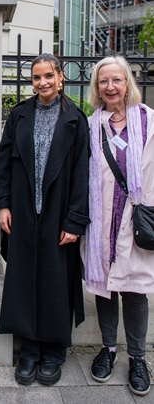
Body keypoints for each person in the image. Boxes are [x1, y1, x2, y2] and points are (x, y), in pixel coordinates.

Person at [0, 53, 90, 386]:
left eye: (49, 76)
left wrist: (74, 220)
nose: (43, 83)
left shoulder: (76, 119)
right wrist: (2, 204)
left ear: (60, 77)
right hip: (22, 210)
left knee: (56, 280)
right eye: (36, 77)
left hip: (58, 213)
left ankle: (54, 350)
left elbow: (81, 174)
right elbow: (3, 161)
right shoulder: (19, 115)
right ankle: (30, 349)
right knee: (23, 279)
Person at [83, 56, 154, 397]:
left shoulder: (149, 121)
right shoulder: (91, 125)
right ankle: (108, 348)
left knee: (135, 287)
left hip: (134, 217)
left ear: (127, 82)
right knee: (104, 284)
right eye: (103, 81)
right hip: (101, 218)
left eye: (116, 80)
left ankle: (138, 357)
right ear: (96, 87)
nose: (110, 87)